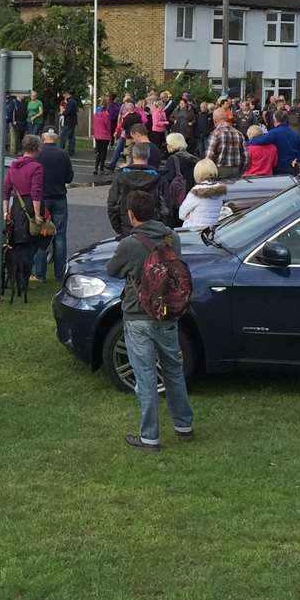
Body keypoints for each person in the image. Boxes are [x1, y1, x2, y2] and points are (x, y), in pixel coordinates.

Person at [107, 190, 194, 449]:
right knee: (173, 369)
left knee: (145, 375)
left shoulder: (130, 244)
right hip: (167, 313)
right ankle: (183, 423)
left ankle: (149, 435)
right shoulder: (172, 238)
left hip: (138, 315)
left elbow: (111, 270)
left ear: (132, 216)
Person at [3, 135, 47, 290]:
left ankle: (16, 278)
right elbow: (36, 192)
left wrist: (5, 213)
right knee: (32, 245)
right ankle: (24, 281)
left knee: (18, 246)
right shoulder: (36, 167)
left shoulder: (13, 166)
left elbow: (6, 191)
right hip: (29, 207)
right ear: (35, 148)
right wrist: (37, 215)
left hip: (16, 208)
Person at [31, 130, 74, 285]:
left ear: (43, 140)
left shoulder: (39, 155)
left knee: (42, 235)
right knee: (60, 236)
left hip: (42, 199)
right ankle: (60, 273)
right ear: (56, 140)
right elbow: (69, 177)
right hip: (59, 197)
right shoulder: (63, 154)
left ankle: (39, 273)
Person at [106, 141, 161, 236]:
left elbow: (113, 203)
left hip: (127, 223)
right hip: (152, 224)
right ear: (148, 156)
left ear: (133, 155)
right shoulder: (158, 177)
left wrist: (118, 227)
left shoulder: (121, 176)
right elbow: (164, 205)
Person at [179, 159, 226, 231]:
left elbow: (181, 215)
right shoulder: (220, 191)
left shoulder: (195, 192)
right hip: (210, 231)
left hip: (193, 231)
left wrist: (189, 215)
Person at [205, 107, 247, 180]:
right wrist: (240, 170)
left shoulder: (215, 134)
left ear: (215, 120)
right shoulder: (239, 133)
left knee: (222, 191)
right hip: (236, 170)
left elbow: (209, 157)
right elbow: (245, 157)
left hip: (220, 171)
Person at [91, 103, 114, 175]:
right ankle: (101, 168)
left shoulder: (95, 116)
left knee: (99, 152)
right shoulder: (105, 115)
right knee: (103, 152)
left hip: (97, 136)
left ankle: (95, 168)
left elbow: (93, 125)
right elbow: (108, 126)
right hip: (104, 136)